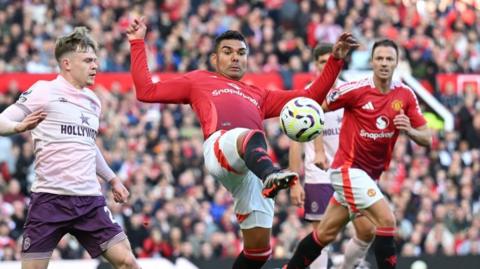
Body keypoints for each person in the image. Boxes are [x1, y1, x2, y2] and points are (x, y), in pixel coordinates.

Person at [126, 17, 358, 269]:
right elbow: (146, 91)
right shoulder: (198, 80)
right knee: (249, 136)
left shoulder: (258, 94)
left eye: (241, 53)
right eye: (228, 52)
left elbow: (309, 97)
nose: (235, 57)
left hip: (251, 169)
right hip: (222, 147)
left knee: (258, 252)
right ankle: (271, 175)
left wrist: (336, 60)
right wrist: (137, 43)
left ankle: (268, 176)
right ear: (215, 59)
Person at [283, 39, 432, 269]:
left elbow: (427, 138)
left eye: (389, 59)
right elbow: (313, 106)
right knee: (386, 221)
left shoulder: (406, 95)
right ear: (371, 62)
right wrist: (301, 127)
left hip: (369, 175)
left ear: (396, 63)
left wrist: (410, 130)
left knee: (325, 234)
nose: (384, 63)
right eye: (379, 58)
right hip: (346, 170)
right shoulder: (354, 89)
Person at [0, 27, 140, 269]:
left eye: (96, 60)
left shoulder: (93, 101)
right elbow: (2, 121)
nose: (95, 65)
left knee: (127, 261)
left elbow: (88, 145)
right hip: (49, 200)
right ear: (66, 63)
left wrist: (113, 179)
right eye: (87, 60)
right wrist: (18, 127)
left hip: (89, 200)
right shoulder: (43, 90)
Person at [288, 43, 375, 269]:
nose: (327, 67)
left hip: (350, 172)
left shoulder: (351, 92)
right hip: (319, 175)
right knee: (320, 237)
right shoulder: (305, 98)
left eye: (331, 61)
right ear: (315, 66)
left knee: (367, 229)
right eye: (321, 62)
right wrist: (294, 181)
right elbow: (295, 144)